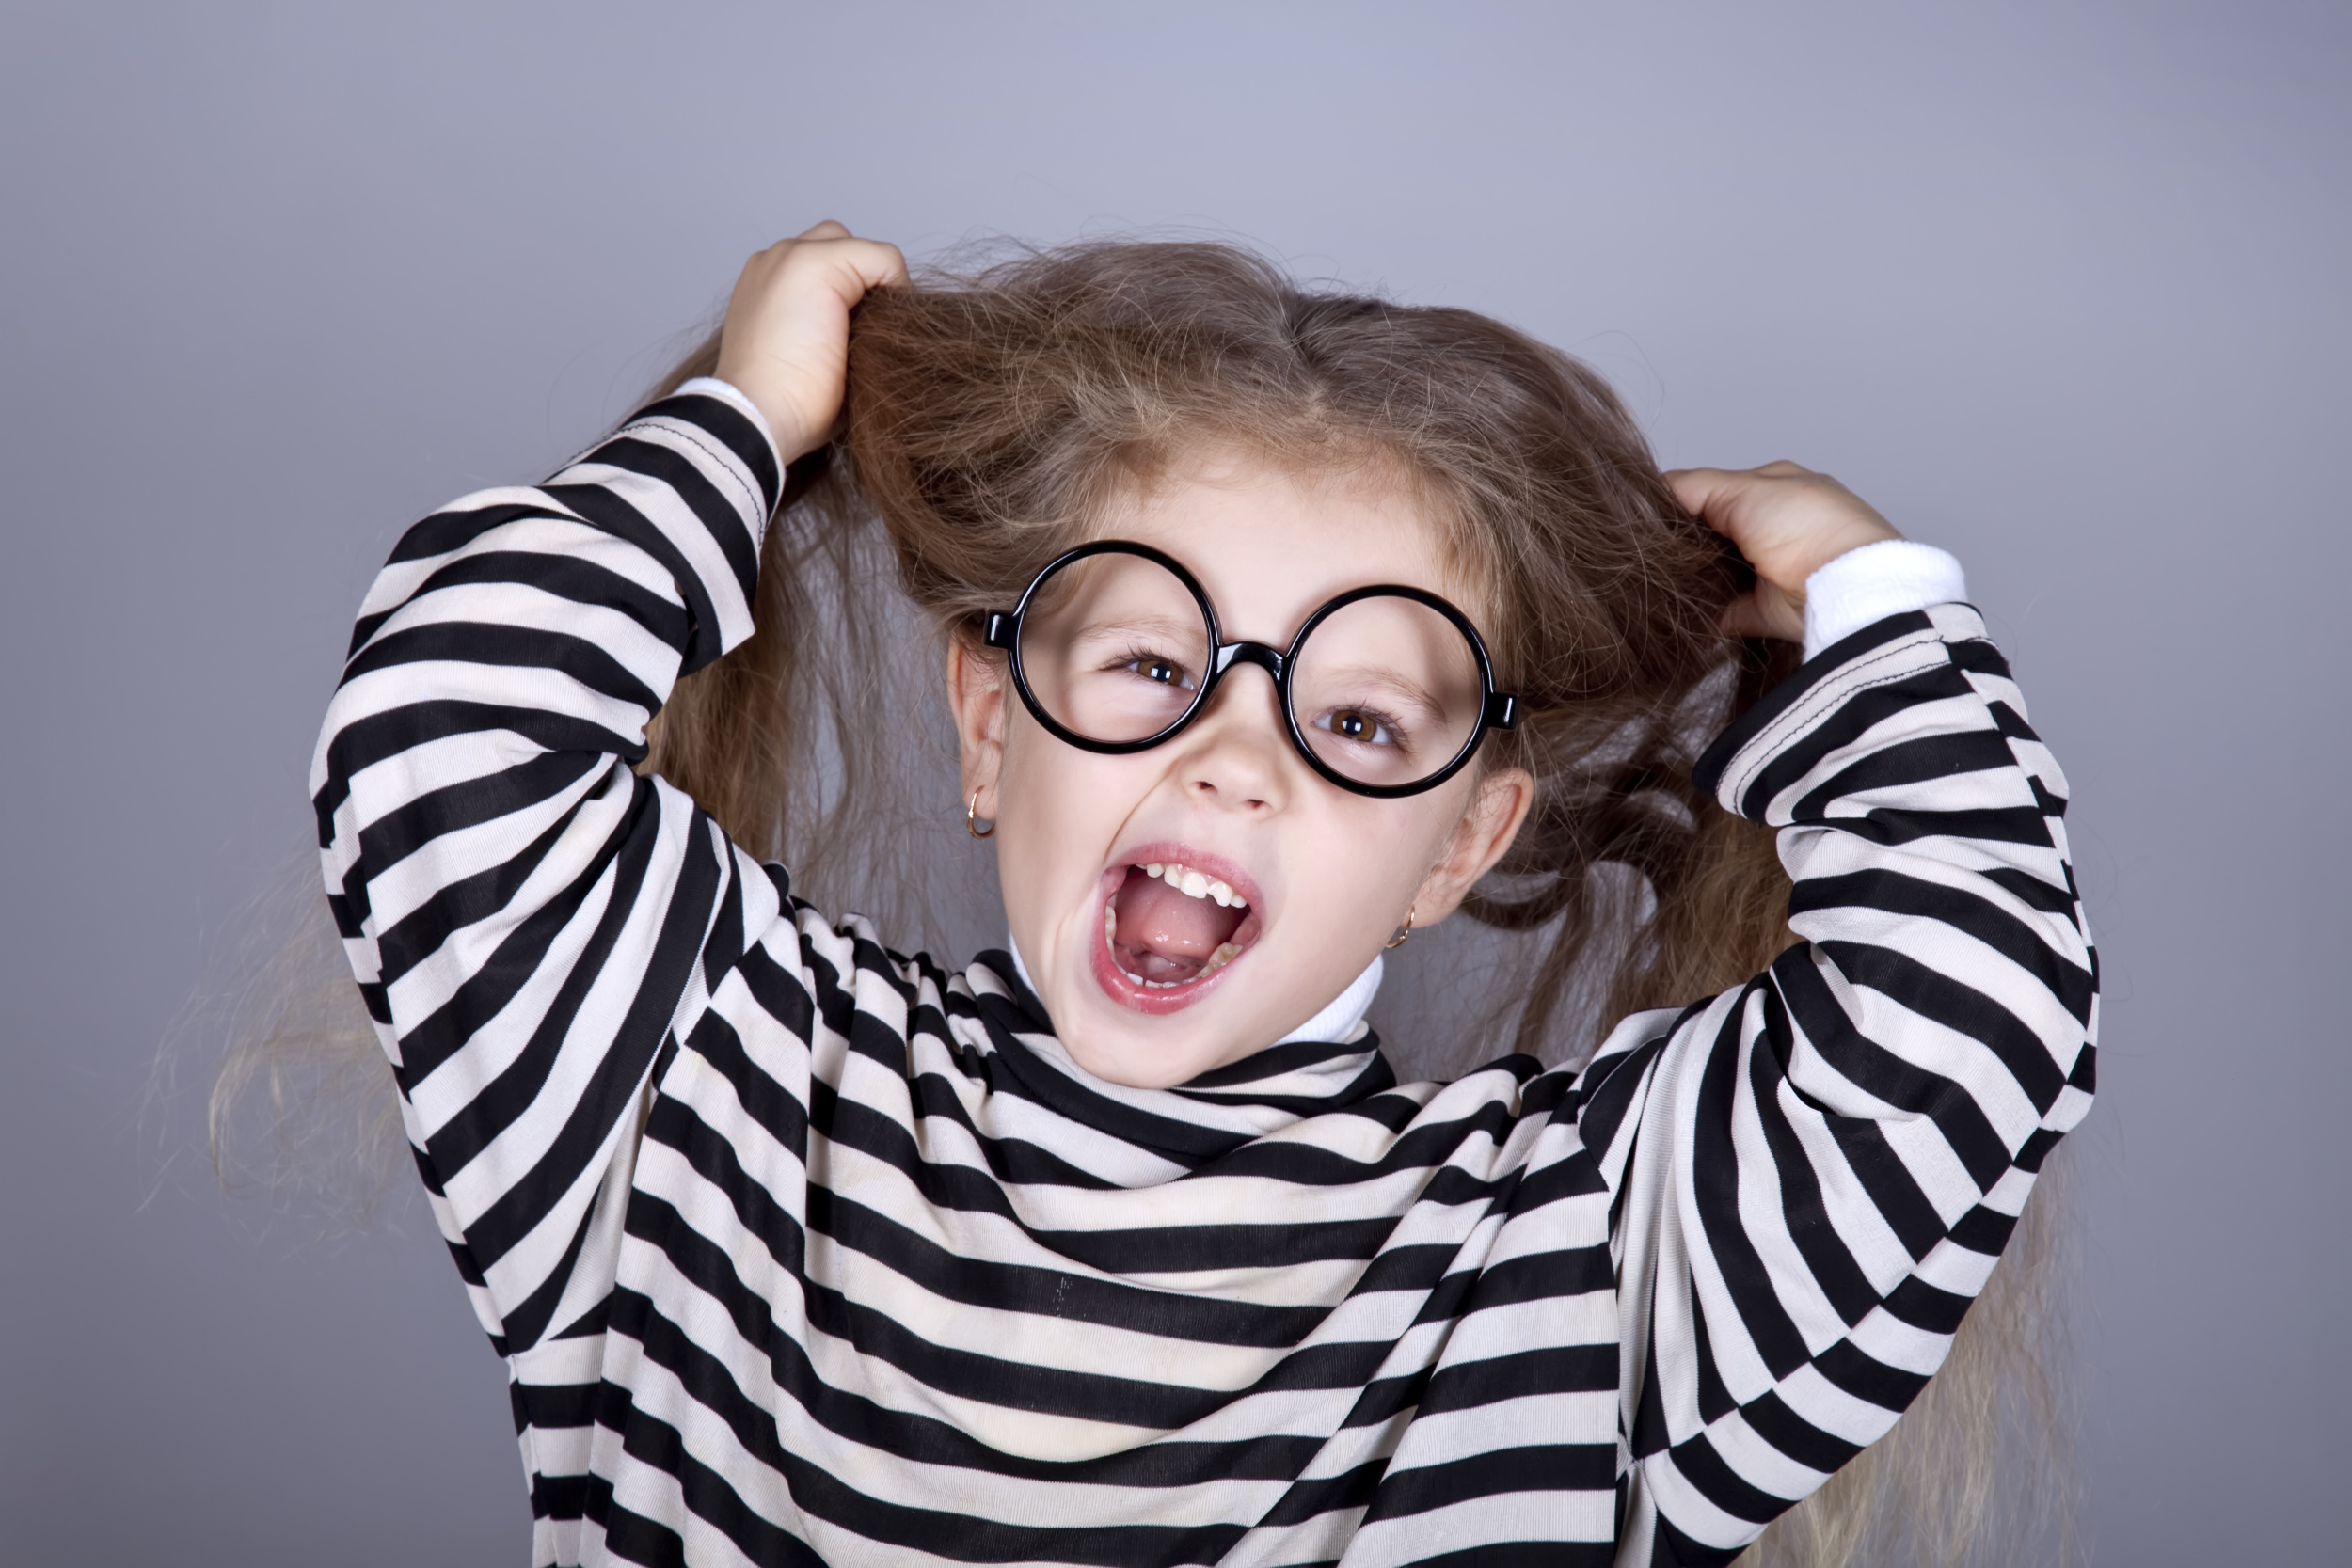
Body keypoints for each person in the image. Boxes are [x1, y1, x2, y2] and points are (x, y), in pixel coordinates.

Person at [309, 221, 2094, 1565]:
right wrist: (745, 424)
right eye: (1156, 666)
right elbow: (442, 725)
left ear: (1457, 845)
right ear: (992, 727)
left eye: (1357, 719)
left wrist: (1881, 608)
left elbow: (1982, 1006)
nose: (1237, 757)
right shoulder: (719, 1090)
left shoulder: (1575, 1265)